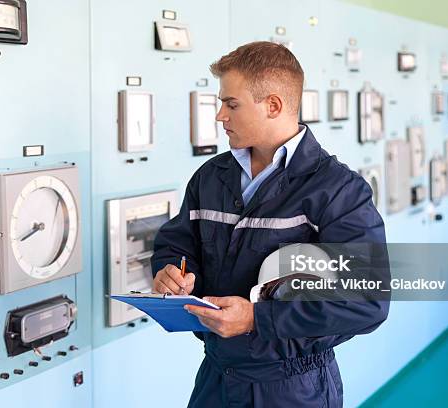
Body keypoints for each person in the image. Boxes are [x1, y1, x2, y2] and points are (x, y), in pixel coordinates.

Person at [151, 41, 389, 408]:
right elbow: (179, 243)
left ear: (273, 105)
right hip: (216, 377)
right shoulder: (210, 177)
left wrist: (257, 319)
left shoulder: (338, 190)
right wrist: (172, 270)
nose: (220, 116)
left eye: (231, 104)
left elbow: (366, 302)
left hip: (292, 387)